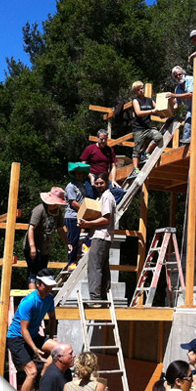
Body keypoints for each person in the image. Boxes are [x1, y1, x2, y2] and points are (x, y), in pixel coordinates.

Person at [7, 270, 59, 391]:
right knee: (31, 372)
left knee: (60, 349)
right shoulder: (29, 302)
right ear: (37, 284)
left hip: (33, 335)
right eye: (46, 285)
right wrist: (35, 349)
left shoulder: (49, 298)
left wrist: (51, 338)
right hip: (16, 338)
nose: (49, 289)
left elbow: (53, 319)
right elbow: (24, 329)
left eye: (51, 286)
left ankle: (44, 373)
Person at [78, 171, 115, 305]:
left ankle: (95, 299)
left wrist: (88, 223)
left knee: (94, 267)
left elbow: (106, 218)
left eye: (101, 183)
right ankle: (103, 298)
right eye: (97, 183)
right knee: (102, 267)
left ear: (107, 183)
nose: (99, 185)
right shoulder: (102, 197)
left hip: (101, 236)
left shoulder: (106, 197)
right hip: (103, 236)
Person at [22, 187, 67, 288]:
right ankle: (33, 295)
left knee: (42, 272)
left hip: (45, 247)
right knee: (33, 271)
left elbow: (60, 230)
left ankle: (41, 295)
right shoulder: (39, 210)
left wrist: (68, 243)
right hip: (33, 245)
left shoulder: (58, 212)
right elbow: (31, 229)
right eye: (53, 203)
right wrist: (32, 247)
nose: (55, 205)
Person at [129, 80, 163, 178]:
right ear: (135, 92)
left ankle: (147, 152)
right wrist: (152, 111)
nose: (141, 91)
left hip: (148, 128)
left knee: (158, 136)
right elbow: (138, 113)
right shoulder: (136, 101)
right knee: (137, 149)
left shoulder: (149, 100)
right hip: (138, 129)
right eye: (138, 90)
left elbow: (159, 109)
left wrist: (164, 113)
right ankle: (135, 169)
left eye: (142, 88)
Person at [79, 130, 125, 203]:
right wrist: (90, 176)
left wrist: (113, 180)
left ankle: (105, 207)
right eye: (101, 139)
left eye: (105, 139)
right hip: (92, 176)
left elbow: (113, 166)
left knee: (120, 192)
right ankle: (94, 210)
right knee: (91, 197)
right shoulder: (90, 148)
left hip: (104, 178)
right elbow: (83, 165)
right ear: (97, 138)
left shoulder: (109, 150)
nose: (103, 141)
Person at [63, 162, 91, 270]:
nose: (79, 175)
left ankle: (86, 244)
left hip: (82, 214)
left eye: (81, 173)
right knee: (73, 240)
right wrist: (85, 210)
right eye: (77, 173)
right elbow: (73, 203)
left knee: (93, 227)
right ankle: (71, 262)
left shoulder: (82, 185)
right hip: (72, 216)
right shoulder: (70, 186)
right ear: (74, 174)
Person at [166, 66, 195, 145]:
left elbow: (190, 94)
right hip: (191, 109)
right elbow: (176, 105)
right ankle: (184, 146)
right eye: (176, 76)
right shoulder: (177, 89)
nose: (178, 77)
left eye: (180, 74)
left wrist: (174, 95)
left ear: (183, 73)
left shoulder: (190, 79)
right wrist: (166, 112)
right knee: (187, 126)